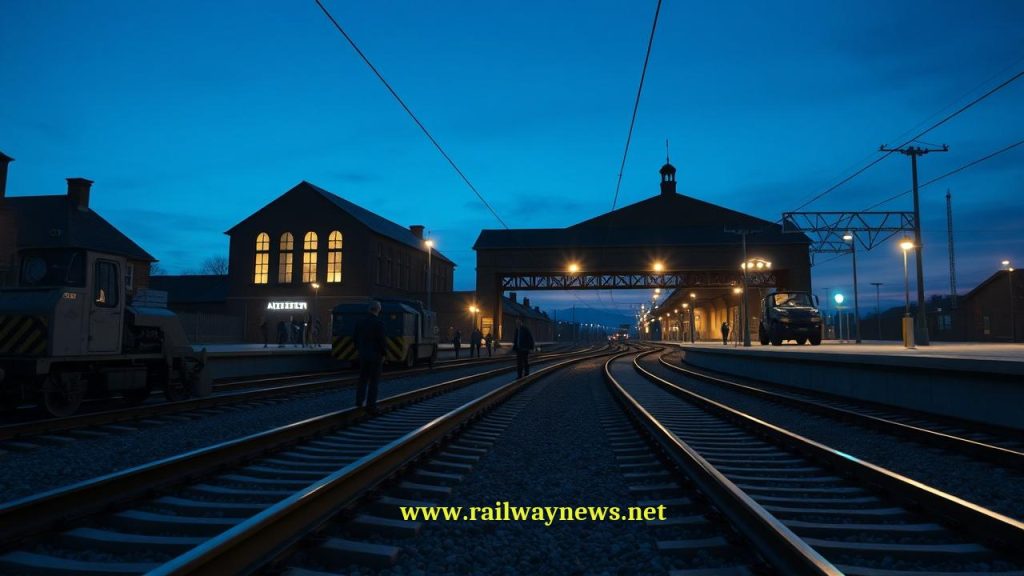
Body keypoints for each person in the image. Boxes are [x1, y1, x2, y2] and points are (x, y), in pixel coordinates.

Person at [354, 300, 387, 412]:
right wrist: (384, 354)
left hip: (363, 354)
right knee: (374, 381)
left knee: (362, 379)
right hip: (376, 355)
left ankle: (359, 401)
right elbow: (382, 341)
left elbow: (355, 338)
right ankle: (371, 405)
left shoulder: (360, 322)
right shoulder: (379, 323)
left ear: (369, 309)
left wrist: (359, 350)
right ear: (378, 309)